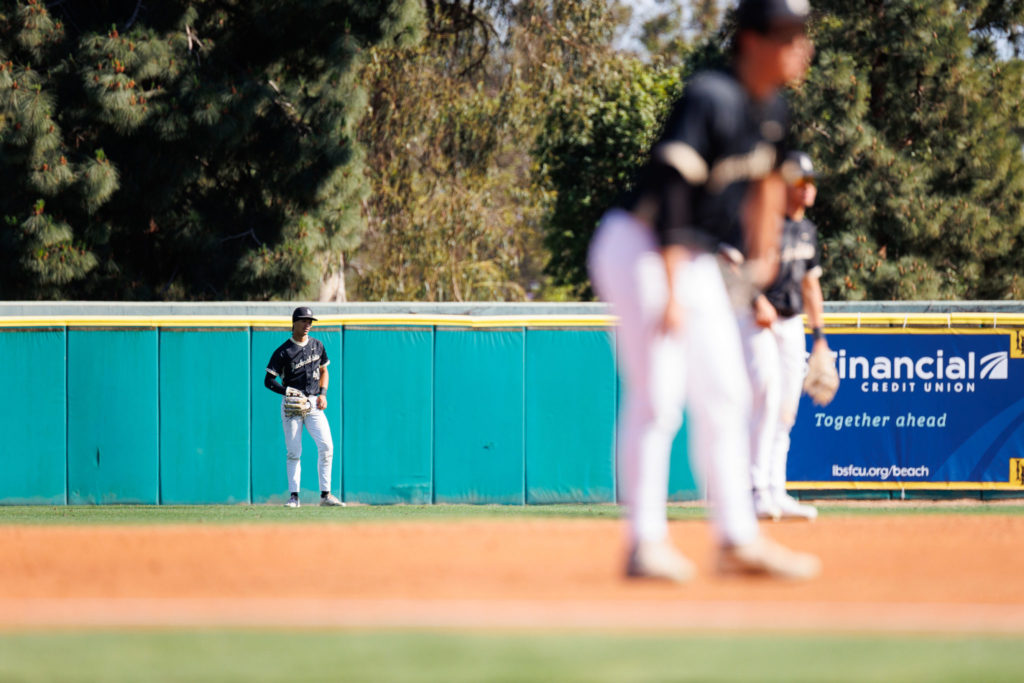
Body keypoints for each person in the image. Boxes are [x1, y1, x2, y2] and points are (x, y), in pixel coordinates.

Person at [587, 0, 819, 582]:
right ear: (751, 41)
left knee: (728, 392)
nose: (800, 45)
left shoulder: (773, 108)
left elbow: (773, 181)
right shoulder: (710, 96)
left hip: (694, 257)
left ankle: (737, 541)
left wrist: (764, 258)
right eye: (787, 33)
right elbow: (671, 193)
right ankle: (645, 544)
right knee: (659, 394)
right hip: (641, 246)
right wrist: (668, 288)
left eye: (801, 33)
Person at [747, 151, 828, 521]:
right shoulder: (765, 222)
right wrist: (756, 300)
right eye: (799, 181)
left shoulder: (807, 231)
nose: (806, 188)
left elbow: (811, 285)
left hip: (791, 323)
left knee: (786, 411)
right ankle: (754, 490)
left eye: (809, 181)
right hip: (758, 320)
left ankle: (776, 491)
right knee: (765, 400)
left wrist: (821, 337)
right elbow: (732, 263)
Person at [264, 306, 345, 508]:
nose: (308, 324)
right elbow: (268, 380)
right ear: (294, 323)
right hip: (292, 404)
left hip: (313, 403)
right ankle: (294, 497)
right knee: (294, 452)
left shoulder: (317, 345)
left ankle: (326, 495)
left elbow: (324, 371)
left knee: (327, 446)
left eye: (310, 321)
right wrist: (287, 391)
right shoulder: (283, 351)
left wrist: (323, 394)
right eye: (304, 321)